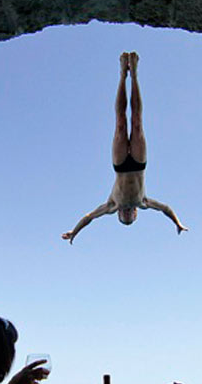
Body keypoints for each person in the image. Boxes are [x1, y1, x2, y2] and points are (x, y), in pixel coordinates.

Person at [61, 52, 188, 243]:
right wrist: (177, 223)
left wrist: (74, 232)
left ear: (118, 214)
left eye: (124, 217)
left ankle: (122, 75)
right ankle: (134, 76)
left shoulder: (111, 205)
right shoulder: (143, 202)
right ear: (136, 213)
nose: (127, 214)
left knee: (120, 124)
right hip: (138, 164)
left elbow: (89, 217)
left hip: (120, 165)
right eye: (130, 217)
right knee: (137, 122)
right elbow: (166, 209)